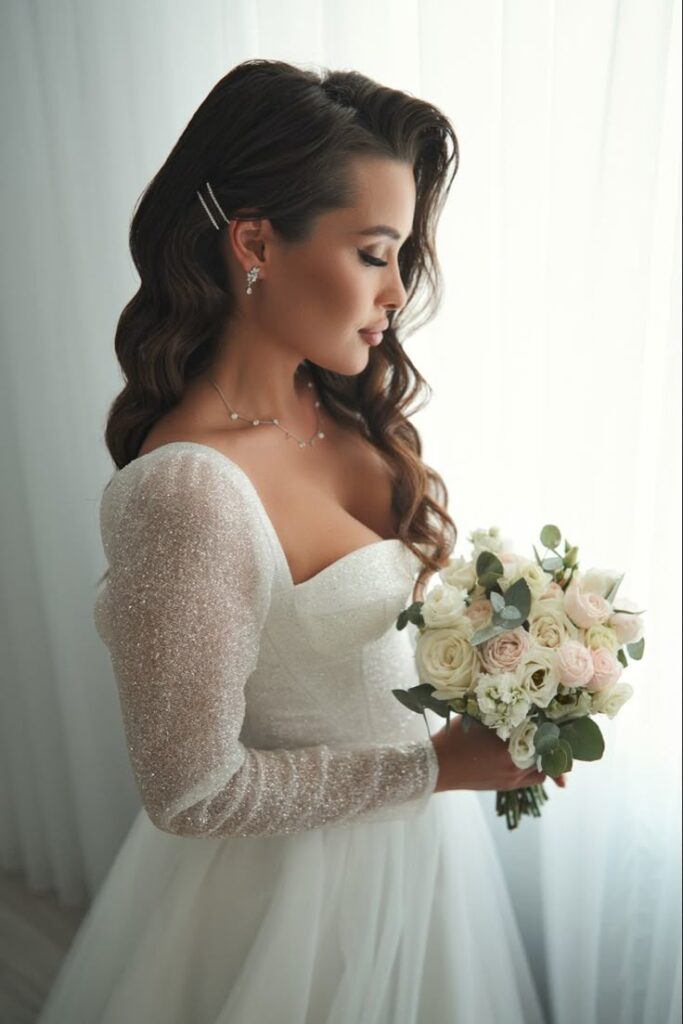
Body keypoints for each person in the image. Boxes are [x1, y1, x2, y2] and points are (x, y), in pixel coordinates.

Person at [37, 58, 561, 1024]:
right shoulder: (189, 493)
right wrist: (438, 767)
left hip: (416, 865)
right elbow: (191, 793)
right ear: (255, 244)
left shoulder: (338, 408)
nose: (398, 291)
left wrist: (508, 660)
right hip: (289, 907)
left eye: (402, 253)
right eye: (373, 252)